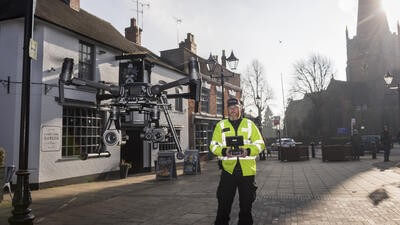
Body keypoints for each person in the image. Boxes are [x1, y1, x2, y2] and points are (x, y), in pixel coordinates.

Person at [210, 98, 265, 225]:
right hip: (228, 172)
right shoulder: (221, 126)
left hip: (247, 173)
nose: (232, 111)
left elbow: (260, 144)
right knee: (223, 207)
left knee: (246, 208)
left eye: (235, 108)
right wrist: (224, 151)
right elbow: (213, 146)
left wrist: (248, 150)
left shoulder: (250, 124)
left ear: (240, 109)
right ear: (227, 110)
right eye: (230, 108)